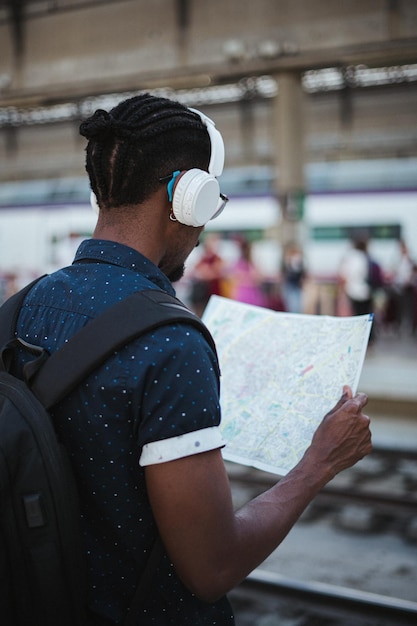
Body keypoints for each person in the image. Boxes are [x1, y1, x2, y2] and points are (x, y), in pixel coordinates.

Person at [14, 94, 372, 625]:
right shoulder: (170, 344)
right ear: (189, 198)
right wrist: (318, 463)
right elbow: (212, 567)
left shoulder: (20, 309)